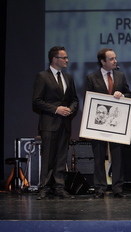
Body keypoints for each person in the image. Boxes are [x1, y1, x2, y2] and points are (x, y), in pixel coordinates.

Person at [33, 46, 78, 200]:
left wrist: (70, 109)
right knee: (48, 158)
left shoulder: (68, 77)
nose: (67, 60)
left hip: (65, 124)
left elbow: (74, 99)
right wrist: (55, 109)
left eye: (66, 57)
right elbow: (37, 101)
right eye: (64, 57)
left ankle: (59, 187)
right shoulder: (42, 76)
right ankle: (44, 188)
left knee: (60, 157)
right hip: (49, 123)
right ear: (54, 59)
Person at [86, 48, 131, 199]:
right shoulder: (92, 78)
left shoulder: (120, 76)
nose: (115, 61)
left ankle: (118, 188)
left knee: (118, 156)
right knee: (99, 156)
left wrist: (122, 95)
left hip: (115, 123)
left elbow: (129, 94)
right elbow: (89, 99)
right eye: (111, 59)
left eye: (115, 58)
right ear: (103, 61)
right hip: (98, 124)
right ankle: (100, 188)